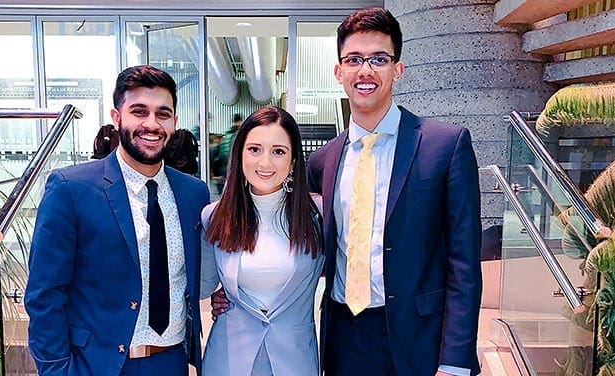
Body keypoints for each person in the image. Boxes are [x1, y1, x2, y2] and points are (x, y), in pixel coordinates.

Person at [307, 7, 482, 375]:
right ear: (339, 72)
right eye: (354, 59)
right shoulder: (323, 160)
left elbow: (463, 264)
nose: (365, 70)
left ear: (397, 69)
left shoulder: (445, 146)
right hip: (344, 337)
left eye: (379, 59)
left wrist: (455, 360)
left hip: (420, 342)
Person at [25, 65, 210, 376]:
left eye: (162, 114)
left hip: (171, 362)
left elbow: (196, 272)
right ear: (117, 116)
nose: (152, 124)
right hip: (96, 365)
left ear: (175, 123)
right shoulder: (72, 189)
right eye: (139, 111)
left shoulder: (193, 194)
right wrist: (57, 370)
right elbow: (45, 294)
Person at [200, 106, 324, 375]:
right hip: (228, 360)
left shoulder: (317, 215)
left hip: (295, 361)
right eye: (254, 149)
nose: (265, 163)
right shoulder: (216, 216)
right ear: (239, 154)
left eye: (278, 151)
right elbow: (201, 286)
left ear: (293, 161)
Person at [213, 113, 242, 192]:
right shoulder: (237, 135)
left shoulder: (226, 135)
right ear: (239, 121)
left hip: (223, 169)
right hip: (232, 168)